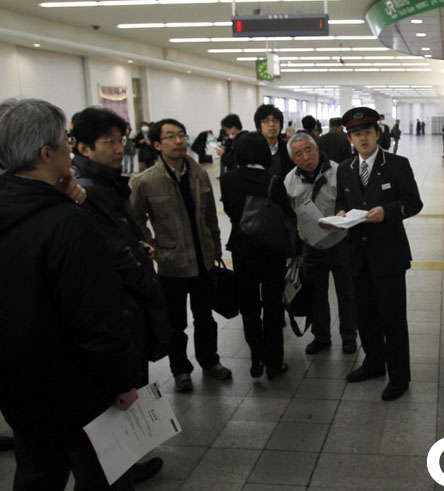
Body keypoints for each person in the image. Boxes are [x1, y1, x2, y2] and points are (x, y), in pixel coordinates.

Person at [0, 97, 138, 490]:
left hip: (18, 387)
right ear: (47, 153)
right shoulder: (68, 226)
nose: (69, 147)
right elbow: (95, 318)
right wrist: (122, 382)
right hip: (78, 393)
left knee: (37, 474)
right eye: (64, 140)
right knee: (104, 476)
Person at [70, 106, 170, 483]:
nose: (117, 148)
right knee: (122, 388)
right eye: (107, 142)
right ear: (83, 147)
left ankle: (125, 464)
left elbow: (119, 237)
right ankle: (118, 471)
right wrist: (147, 283)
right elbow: (112, 252)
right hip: (122, 302)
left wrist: (137, 244)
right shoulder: (91, 190)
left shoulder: (105, 182)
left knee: (128, 385)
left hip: (127, 297)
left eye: (119, 140)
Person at [129, 118, 231, 393]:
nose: (178, 141)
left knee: (206, 318)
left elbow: (210, 215)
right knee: (176, 323)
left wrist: (215, 246)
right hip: (171, 265)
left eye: (182, 135)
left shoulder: (199, 174)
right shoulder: (145, 181)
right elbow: (135, 219)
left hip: (203, 261)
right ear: (158, 144)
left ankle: (210, 361)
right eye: (171, 137)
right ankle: (180, 370)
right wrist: (153, 247)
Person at [335, 107, 423, 401]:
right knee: (365, 316)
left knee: (392, 318)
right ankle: (373, 364)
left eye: (367, 132)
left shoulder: (397, 164)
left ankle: (399, 377)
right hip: (357, 256)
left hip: (388, 255)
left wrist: (387, 211)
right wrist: (340, 213)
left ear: (377, 134)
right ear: (350, 137)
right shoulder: (345, 168)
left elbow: (414, 203)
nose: (362, 138)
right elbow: (341, 201)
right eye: (356, 134)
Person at [220, 132, 296, 379]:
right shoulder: (274, 180)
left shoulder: (227, 180)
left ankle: (256, 358)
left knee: (249, 306)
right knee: (273, 306)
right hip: (271, 251)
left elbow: (232, 213)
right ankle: (275, 361)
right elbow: (285, 214)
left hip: (243, 251)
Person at [284, 132, 358, 356]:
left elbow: (350, 201)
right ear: (293, 159)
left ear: (317, 149)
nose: (306, 156)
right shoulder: (290, 180)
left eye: (309, 150)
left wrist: (339, 214)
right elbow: (288, 215)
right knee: (316, 294)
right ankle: (321, 336)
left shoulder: (339, 171)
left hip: (340, 242)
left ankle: (349, 336)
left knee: (347, 293)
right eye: (299, 153)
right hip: (310, 246)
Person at [254, 104, 295, 179]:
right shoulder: (252, 150)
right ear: (259, 126)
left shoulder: (288, 149)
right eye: (266, 121)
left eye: (275, 120)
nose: (272, 124)